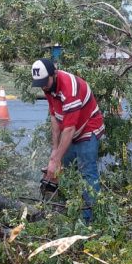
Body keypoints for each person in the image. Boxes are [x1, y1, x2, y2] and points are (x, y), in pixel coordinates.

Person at [31, 58, 105, 223]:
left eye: (45, 82)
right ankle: (68, 211)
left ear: (54, 74)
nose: (43, 87)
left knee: (87, 174)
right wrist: (54, 156)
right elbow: (54, 118)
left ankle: (91, 221)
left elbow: (70, 129)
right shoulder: (48, 86)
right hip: (70, 129)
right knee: (65, 170)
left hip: (87, 128)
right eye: (40, 83)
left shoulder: (70, 89)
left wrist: (56, 159)